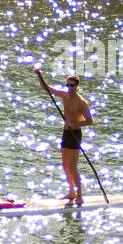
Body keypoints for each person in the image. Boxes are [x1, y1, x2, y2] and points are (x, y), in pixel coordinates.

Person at [34, 68, 94, 204]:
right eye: (67, 85)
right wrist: (40, 75)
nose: (69, 88)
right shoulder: (65, 96)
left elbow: (90, 122)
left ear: (77, 86)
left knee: (73, 166)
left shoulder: (82, 103)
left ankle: (80, 195)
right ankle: (71, 192)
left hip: (75, 134)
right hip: (66, 133)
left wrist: (73, 123)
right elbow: (47, 89)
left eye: (71, 85)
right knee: (65, 165)